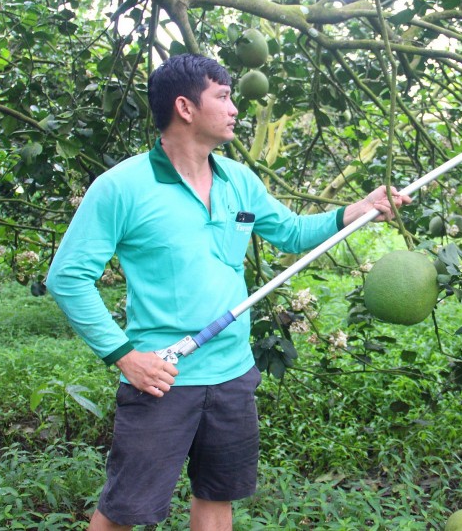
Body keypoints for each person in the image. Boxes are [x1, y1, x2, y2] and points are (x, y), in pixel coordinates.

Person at [46, 53, 411, 530]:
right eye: (222, 97)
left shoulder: (238, 180)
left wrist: (357, 209)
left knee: (217, 499)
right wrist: (125, 356)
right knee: (125, 512)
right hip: (162, 379)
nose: (235, 108)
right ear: (185, 107)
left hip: (233, 375)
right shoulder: (122, 187)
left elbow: (292, 232)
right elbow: (67, 277)